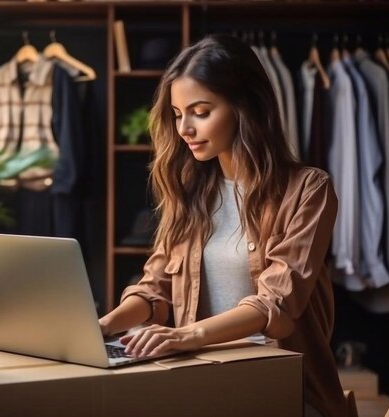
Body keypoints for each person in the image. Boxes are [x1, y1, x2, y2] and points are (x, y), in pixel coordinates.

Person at [99, 34, 348, 417]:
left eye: (200, 111)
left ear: (244, 106)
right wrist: (103, 327)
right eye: (178, 114)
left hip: (282, 388)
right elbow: (155, 290)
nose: (184, 128)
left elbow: (275, 303)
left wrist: (186, 335)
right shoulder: (187, 189)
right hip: (199, 383)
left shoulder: (308, 189)